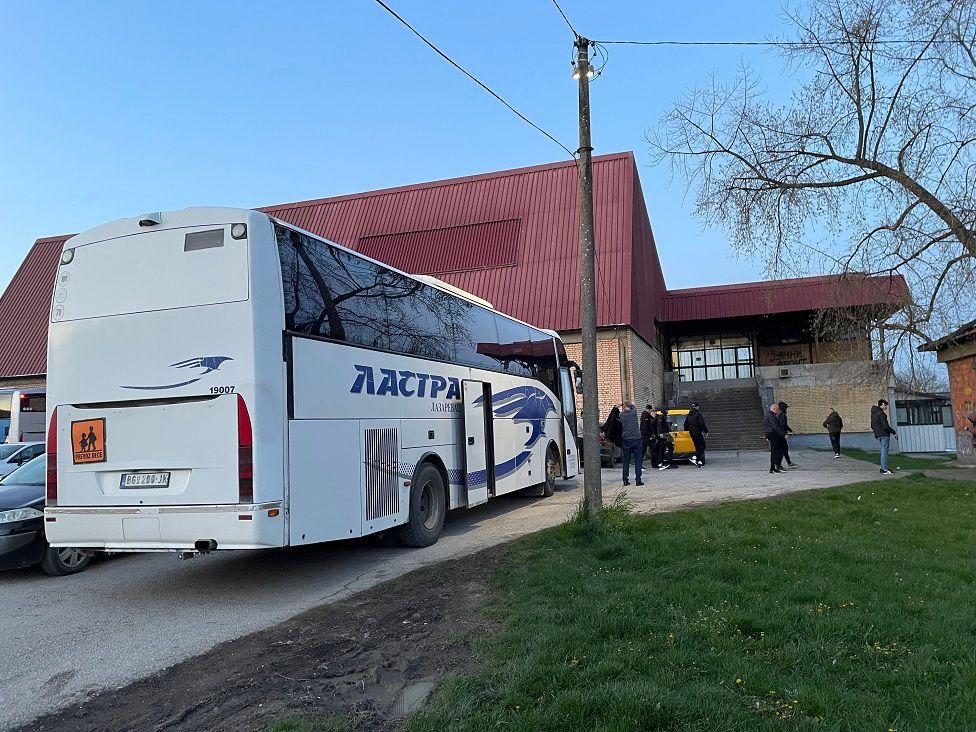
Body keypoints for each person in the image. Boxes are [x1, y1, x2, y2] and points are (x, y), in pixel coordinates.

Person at [618, 402, 644, 486]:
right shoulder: (634, 412)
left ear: (624, 407)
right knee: (638, 461)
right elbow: (633, 406)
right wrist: (626, 403)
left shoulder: (621, 415)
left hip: (626, 440)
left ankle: (625, 480)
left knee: (626, 461)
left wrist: (620, 405)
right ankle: (638, 480)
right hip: (637, 439)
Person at [871, 399, 898, 474]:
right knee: (884, 452)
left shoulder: (873, 414)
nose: (886, 407)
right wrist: (894, 432)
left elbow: (872, 426)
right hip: (884, 435)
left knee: (883, 452)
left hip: (878, 435)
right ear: (882, 404)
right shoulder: (881, 414)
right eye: (886, 405)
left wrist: (876, 433)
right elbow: (885, 426)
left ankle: (883, 468)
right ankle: (885, 469)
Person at [764, 403, 787, 474]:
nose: (778, 411)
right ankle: (773, 468)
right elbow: (775, 426)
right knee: (775, 452)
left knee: (779, 450)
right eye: (777, 410)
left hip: (772, 434)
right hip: (773, 435)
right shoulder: (771, 415)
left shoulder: (770, 415)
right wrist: (783, 434)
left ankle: (777, 466)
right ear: (774, 409)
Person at [685, 402, 708, 467]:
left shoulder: (688, 415)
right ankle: (694, 457)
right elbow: (702, 424)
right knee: (703, 446)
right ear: (697, 407)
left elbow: (685, 425)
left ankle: (699, 461)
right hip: (698, 432)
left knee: (697, 447)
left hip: (692, 433)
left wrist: (687, 431)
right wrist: (705, 431)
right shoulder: (698, 414)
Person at [777, 401, 796, 468]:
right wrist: (785, 433)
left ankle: (789, 462)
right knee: (782, 449)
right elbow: (783, 425)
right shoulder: (782, 414)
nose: (786, 409)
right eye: (786, 408)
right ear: (783, 408)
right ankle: (779, 465)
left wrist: (790, 430)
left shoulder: (778, 414)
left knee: (784, 449)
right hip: (781, 435)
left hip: (779, 434)